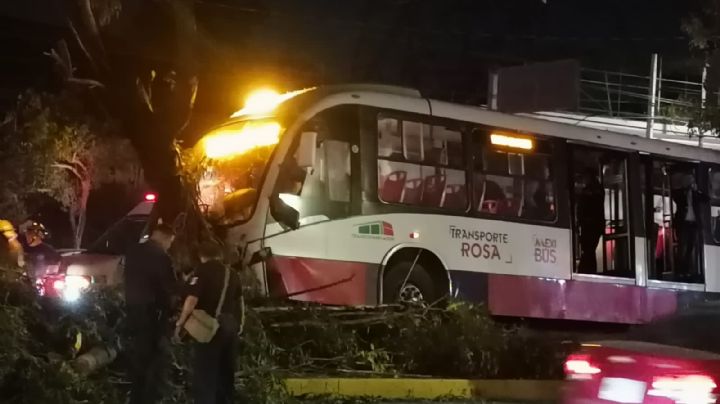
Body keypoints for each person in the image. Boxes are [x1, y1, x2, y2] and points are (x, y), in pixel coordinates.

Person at [175, 241, 242, 404]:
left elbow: (191, 299)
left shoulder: (202, 270)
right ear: (219, 254)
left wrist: (180, 323)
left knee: (206, 375)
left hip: (211, 329)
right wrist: (239, 325)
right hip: (230, 328)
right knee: (225, 374)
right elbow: (239, 302)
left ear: (201, 256)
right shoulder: (232, 273)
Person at [124, 223, 177, 404]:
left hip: (132, 309)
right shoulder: (161, 257)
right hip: (152, 313)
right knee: (153, 359)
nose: (170, 245)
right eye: (170, 241)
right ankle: (148, 398)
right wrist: (171, 312)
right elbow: (166, 289)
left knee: (138, 356)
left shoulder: (133, 251)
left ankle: (135, 396)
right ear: (164, 237)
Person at [672, 173, 708, 279]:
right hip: (684, 224)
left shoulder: (695, 193)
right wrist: (685, 190)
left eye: (692, 180)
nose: (691, 182)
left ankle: (686, 270)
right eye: (690, 180)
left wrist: (697, 191)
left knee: (690, 248)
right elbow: (676, 198)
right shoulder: (681, 193)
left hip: (693, 224)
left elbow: (706, 199)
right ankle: (679, 271)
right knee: (682, 248)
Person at [577, 168, 605, 274]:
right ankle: (588, 270)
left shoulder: (594, 191)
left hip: (591, 226)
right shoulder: (595, 190)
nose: (584, 180)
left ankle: (586, 271)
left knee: (588, 251)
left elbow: (588, 205)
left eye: (585, 177)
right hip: (590, 225)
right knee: (589, 251)